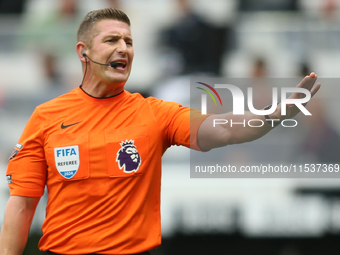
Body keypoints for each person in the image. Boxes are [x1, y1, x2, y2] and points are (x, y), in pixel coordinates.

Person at [0, 8, 320, 255]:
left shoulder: (154, 113)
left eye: (128, 42)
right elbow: (22, 203)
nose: (123, 48)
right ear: (83, 51)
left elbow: (223, 129)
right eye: (112, 40)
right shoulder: (47, 116)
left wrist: (272, 116)